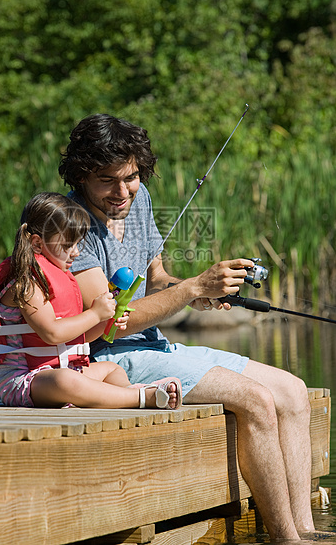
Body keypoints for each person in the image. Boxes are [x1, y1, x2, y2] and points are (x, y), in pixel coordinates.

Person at [58, 114, 319, 541]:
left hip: (155, 346)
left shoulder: (137, 202)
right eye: (108, 180)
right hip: (107, 359)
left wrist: (199, 291)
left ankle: (307, 532)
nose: (122, 192)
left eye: (131, 177)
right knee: (254, 400)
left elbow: (157, 279)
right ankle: (285, 538)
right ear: (82, 175)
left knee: (292, 390)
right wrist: (192, 288)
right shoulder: (72, 225)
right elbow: (107, 327)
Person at [0, 192, 182, 410]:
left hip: (65, 369)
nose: (76, 253)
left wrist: (105, 321)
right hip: (26, 381)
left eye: (78, 244)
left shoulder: (60, 277)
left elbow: (80, 337)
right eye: (68, 245)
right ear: (37, 244)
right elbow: (52, 333)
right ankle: (142, 398)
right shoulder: (26, 284)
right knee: (65, 381)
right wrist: (94, 313)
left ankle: (129, 392)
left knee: (111, 368)